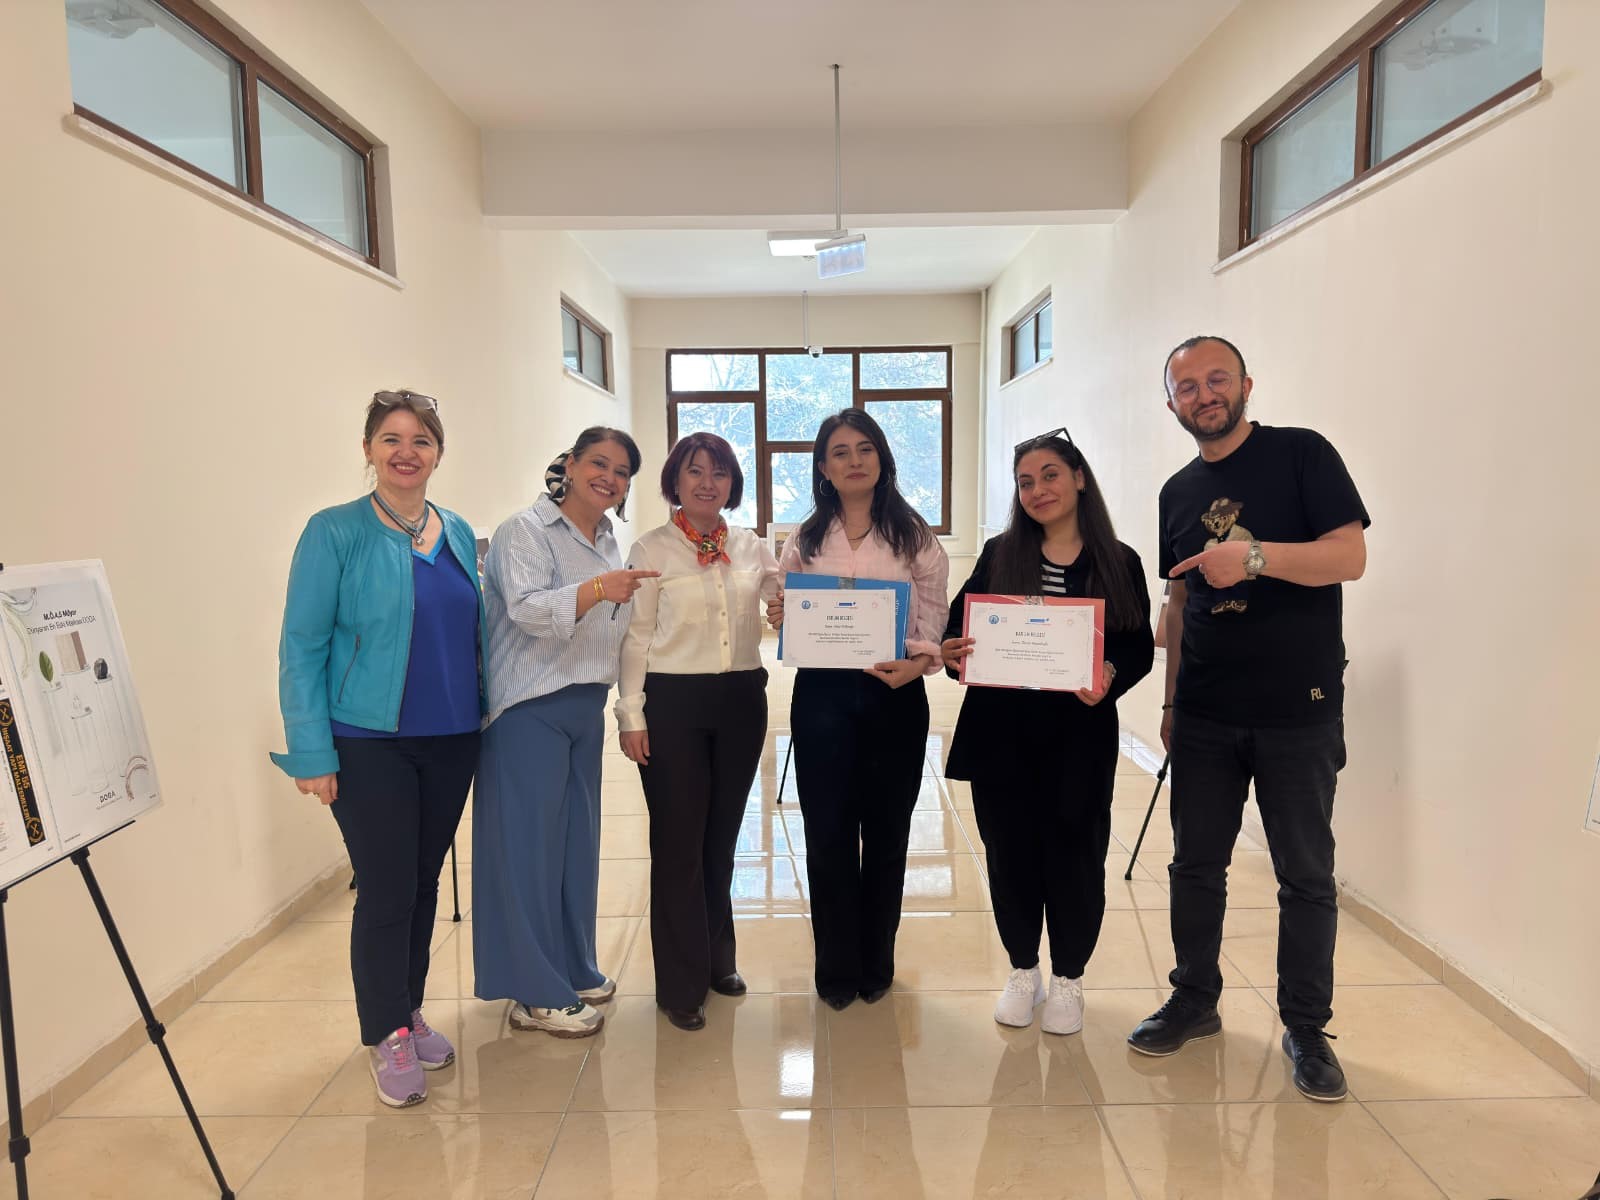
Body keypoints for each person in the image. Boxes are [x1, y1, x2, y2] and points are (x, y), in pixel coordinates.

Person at [1128, 336, 1370, 1104]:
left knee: (1305, 875)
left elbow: (1348, 557)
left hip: (1296, 711)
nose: (1203, 394)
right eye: (1187, 386)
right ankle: (1195, 998)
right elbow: (1177, 601)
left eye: (1216, 379)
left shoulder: (1303, 456)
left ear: (1245, 385)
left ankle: (1305, 1026)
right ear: (1171, 405)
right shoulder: (1175, 491)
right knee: (1195, 866)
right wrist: (1168, 700)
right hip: (1203, 713)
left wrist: (1255, 558)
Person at [272, 389, 488, 1109]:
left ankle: (408, 1006)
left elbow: (473, 633)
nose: (406, 451)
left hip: (452, 737)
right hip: (367, 743)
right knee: (388, 887)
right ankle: (385, 1033)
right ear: (368, 450)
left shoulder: (453, 530)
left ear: (437, 453)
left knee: (423, 884)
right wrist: (312, 751)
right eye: (391, 438)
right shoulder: (333, 533)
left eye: (421, 440)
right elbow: (300, 647)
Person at [940, 428, 1153, 1035]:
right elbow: (962, 629)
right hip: (1002, 734)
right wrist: (957, 650)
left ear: (1079, 478)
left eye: (1050, 475)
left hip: (1078, 736)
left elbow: (1136, 645)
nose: (1039, 490)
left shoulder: (1119, 561)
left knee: (1076, 855)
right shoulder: (999, 552)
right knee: (1009, 855)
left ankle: (1068, 978)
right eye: (1026, 481)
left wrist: (1110, 670)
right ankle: (1022, 968)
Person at [472, 426, 658, 1038]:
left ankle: (572, 963)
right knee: (527, 850)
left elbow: (615, 627)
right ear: (571, 465)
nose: (609, 477)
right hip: (529, 707)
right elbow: (527, 611)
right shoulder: (522, 531)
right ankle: (532, 988)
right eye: (598, 463)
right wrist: (598, 589)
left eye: (622, 471)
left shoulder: (608, 538)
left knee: (575, 846)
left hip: (584, 704)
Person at [771, 409, 949, 1010]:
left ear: (881, 459)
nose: (853, 460)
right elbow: (786, 607)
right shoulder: (805, 539)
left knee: (888, 830)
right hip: (821, 698)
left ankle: (877, 962)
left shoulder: (913, 535)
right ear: (823, 467)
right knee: (826, 832)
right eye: (840, 452)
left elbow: (933, 617)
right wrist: (782, 615)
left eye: (864, 449)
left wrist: (918, 663)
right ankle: (835, 967)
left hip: (893, 694)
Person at [615, 432, 782, 1031]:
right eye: (694, 471)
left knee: (721, 838)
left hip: (741, 699)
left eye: (719, 472)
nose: (707, 482)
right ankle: (680, 985)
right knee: (679, 843)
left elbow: (783, 599)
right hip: (674, 703)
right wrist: (631, 714)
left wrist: (791, 608)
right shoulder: (651, 548)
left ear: (733, 483)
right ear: (675, 482)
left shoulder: (751, 546)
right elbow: (635, 636)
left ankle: (717, 961)